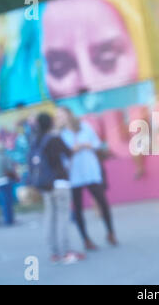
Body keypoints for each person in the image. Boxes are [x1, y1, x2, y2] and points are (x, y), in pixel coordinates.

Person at [56, 107, 118, 250]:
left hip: (90, 170)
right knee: (77, 208)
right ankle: (86, 239)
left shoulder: (84, 127)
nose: (61, 118)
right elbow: (61, 156)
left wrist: (86, 145)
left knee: (102, 201)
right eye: (58, 116)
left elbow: (96, 144)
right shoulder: (61, 135)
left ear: (69, 114)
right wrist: (73, 150)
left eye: (62, 115)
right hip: (74, 174)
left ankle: (110, 232)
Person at [32, 113, 84, 264]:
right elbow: (68, 153)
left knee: (50, 217)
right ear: (50, 123)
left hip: (45, 185)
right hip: (59, 183)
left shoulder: (37, 140)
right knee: (62, 217)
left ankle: (54, 252)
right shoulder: (54, 138)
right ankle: (66, 252)